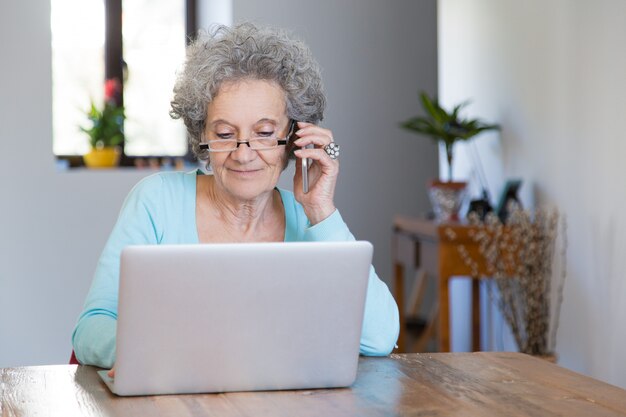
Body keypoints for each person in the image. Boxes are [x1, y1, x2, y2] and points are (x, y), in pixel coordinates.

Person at [72, 22, 399, 369]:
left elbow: (380, 338)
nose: (243, 154)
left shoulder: (312, 222)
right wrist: (171, 356)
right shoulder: (156, 202)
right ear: (202, 135)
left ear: (294, 138)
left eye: (264, 133)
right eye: (225, 133)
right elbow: (91, 327)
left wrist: (322, 210)